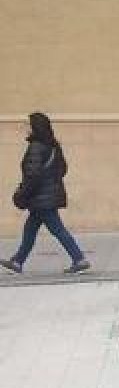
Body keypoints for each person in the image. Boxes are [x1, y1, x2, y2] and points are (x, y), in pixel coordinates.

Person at [2, 111, 90, 275]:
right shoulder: (53, 146)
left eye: (29, 124)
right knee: (30, 229)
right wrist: (50, 182)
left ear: (35, 127)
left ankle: (79, 259)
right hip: (46, 197)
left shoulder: (36, 147)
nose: (26, 127)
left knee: (57, 229)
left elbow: (32, 175)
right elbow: (62, 169)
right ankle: (18, 261)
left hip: (40, 198)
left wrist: (21, 194)